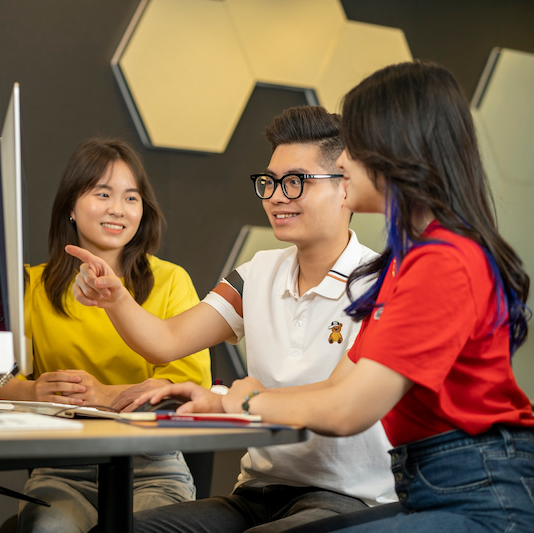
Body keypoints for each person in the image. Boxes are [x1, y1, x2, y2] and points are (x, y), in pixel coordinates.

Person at [128, 62, 534, 532]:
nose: (342, 163)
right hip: (431, 486)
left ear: (397, 148)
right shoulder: (408, 262)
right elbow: (340, 387)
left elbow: (347, 411)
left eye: (354, 146)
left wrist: (243, 401)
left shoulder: (443, 261)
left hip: (479, 494)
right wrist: (223, 401)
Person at [70, 106, 397, 532]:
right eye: (270, 182)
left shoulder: (382, 281)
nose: (277, 196)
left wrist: (234, 399)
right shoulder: (257, 272)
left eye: (295, 182)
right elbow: (167, 339)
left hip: (349, 499)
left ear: (344, 187)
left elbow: (344, 399)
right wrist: (115, 297)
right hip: (256, 492)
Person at [0, 137, 212, 533]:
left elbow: (188, 386)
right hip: (61, 469)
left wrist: (104, 395)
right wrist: (35, 391)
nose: (117, 210)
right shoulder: (30, 284)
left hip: (153, 467)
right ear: (70, 206)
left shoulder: (171, 280)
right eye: (102, 193)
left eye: (131, 198)